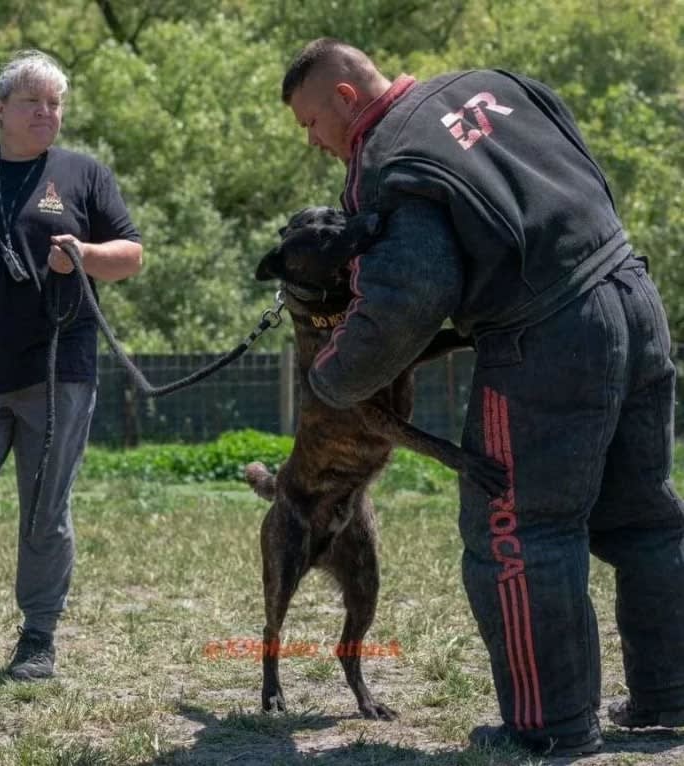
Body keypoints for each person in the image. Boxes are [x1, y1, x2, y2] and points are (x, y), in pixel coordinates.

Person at [280, 37, 684, 756]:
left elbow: (411, 294)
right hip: (633, 294)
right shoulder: (494, 84)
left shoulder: (389, 159)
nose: (313, 143)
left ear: (345, 98)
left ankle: (549, 727)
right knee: (646, 519)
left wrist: (329, 378)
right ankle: (670, 695)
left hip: (546, 338)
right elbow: (584, 170)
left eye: (311, 123)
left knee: (519, 532)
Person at [0, 50, 142, 680]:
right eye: (32, 102)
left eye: (55, 104)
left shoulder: (83, 175)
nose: (47, 113)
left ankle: (38, 632)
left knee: (46, 505)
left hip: (57, 371)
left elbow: (129, 255)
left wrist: (85, 252)